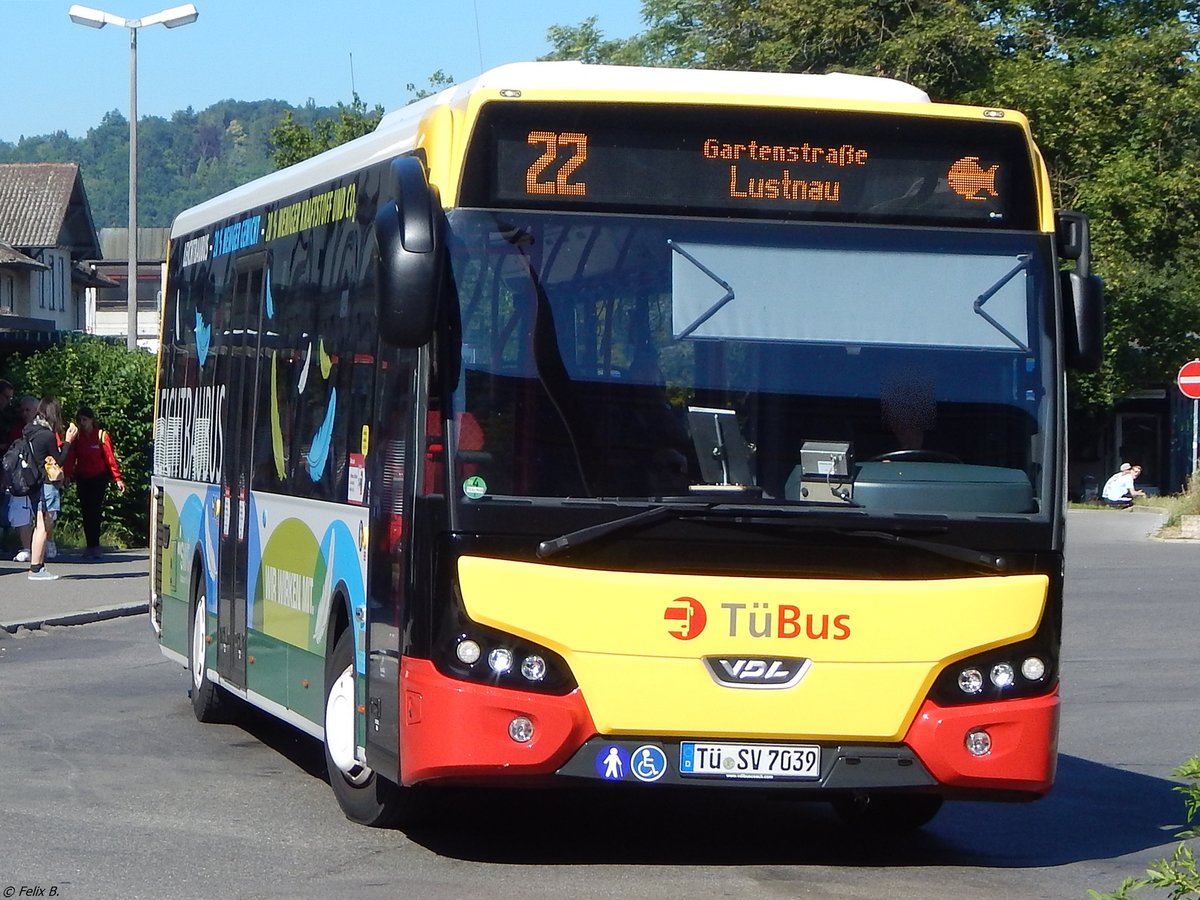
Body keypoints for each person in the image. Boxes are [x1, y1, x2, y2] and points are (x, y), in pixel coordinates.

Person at [23, 397, 76, 580]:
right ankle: (36, 569)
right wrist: (68, 440)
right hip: (46, 483)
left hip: (33, 482)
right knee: (43, 526)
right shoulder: (46, 435)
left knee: (39, 524)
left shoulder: (29, 430)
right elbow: (60, 460)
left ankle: (38, 566)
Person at [64, 406, 125, 558]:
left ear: (91, 420)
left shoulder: (101, 435)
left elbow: (110, 458)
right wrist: (67, 474)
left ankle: (95, 545)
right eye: (79, 420)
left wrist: (117, 478)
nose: (82, 423)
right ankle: (89, 545)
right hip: (82, 477)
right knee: (86, 511)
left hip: (98, 477)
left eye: (85, 419)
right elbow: (71, 457)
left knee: (95, 510)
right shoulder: (77, 437)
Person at [7, 395, 41, 562]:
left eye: (28, 410)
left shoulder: (44, 429)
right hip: (19, 478)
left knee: (43, 513)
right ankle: (26, 547)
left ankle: (46, 544)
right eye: (23, 410)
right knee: (20, 512)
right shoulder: (17, 430)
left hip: (39, 477)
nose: (25, 413)